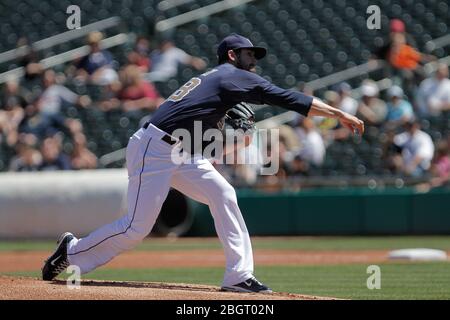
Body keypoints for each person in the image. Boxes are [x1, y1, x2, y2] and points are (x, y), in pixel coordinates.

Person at [42, 33, 364, 293]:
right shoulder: (231, 76)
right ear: (232, 56)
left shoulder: (219, 81)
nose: (254, 59)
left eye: (256, 54)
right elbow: (288, 98)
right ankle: (71, 250)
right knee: (136, 228)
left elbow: (205, 137)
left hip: (182, 150)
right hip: (154, 149)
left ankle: (238, 275)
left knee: (223, 194)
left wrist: (232, 137)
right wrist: (338, 113)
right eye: (249, 53)